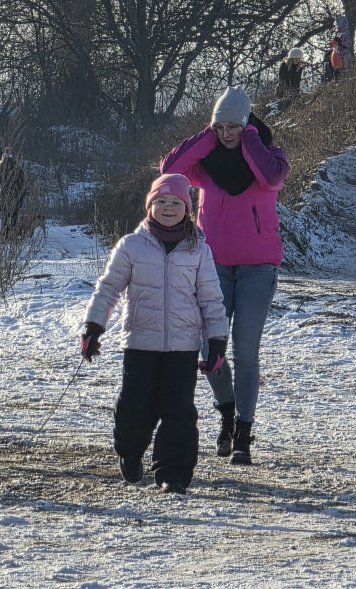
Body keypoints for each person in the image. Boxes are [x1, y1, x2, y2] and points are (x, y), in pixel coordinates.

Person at [160, 86, 289, 466]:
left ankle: (244, 432)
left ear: (248, 126)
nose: (226, 133)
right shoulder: (207, 166)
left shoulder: (272, 158)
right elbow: (170, 169)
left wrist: (249, 137)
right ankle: (227, 414)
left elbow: (270, 179)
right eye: (221, 127)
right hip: (213, 268)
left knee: (246, 353)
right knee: (208, 348)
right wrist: (208, 133)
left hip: (257, 270)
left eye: (234, 126)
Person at [80, 174, 229, 494]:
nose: (168, 208)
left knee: (179, 410)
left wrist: (217, 340)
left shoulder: (198, 250)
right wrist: (93, 326)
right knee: (135, 405)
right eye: (161, 201)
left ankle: (172, 473)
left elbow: (211, 300)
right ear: (150, 206)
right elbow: (108, 289)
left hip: (183, 345)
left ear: (187, 209)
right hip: (140, 343)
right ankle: (130, 452)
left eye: (175, 202)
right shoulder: (131, 246)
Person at [0, 147, 27, 234]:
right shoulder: (18, 168)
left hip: (4, 194)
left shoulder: (0, 168)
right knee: (14, 213)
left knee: (5, 214)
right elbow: (23, 182)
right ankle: (13, 232)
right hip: (16, 194)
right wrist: (22, 194)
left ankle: (4, 232)